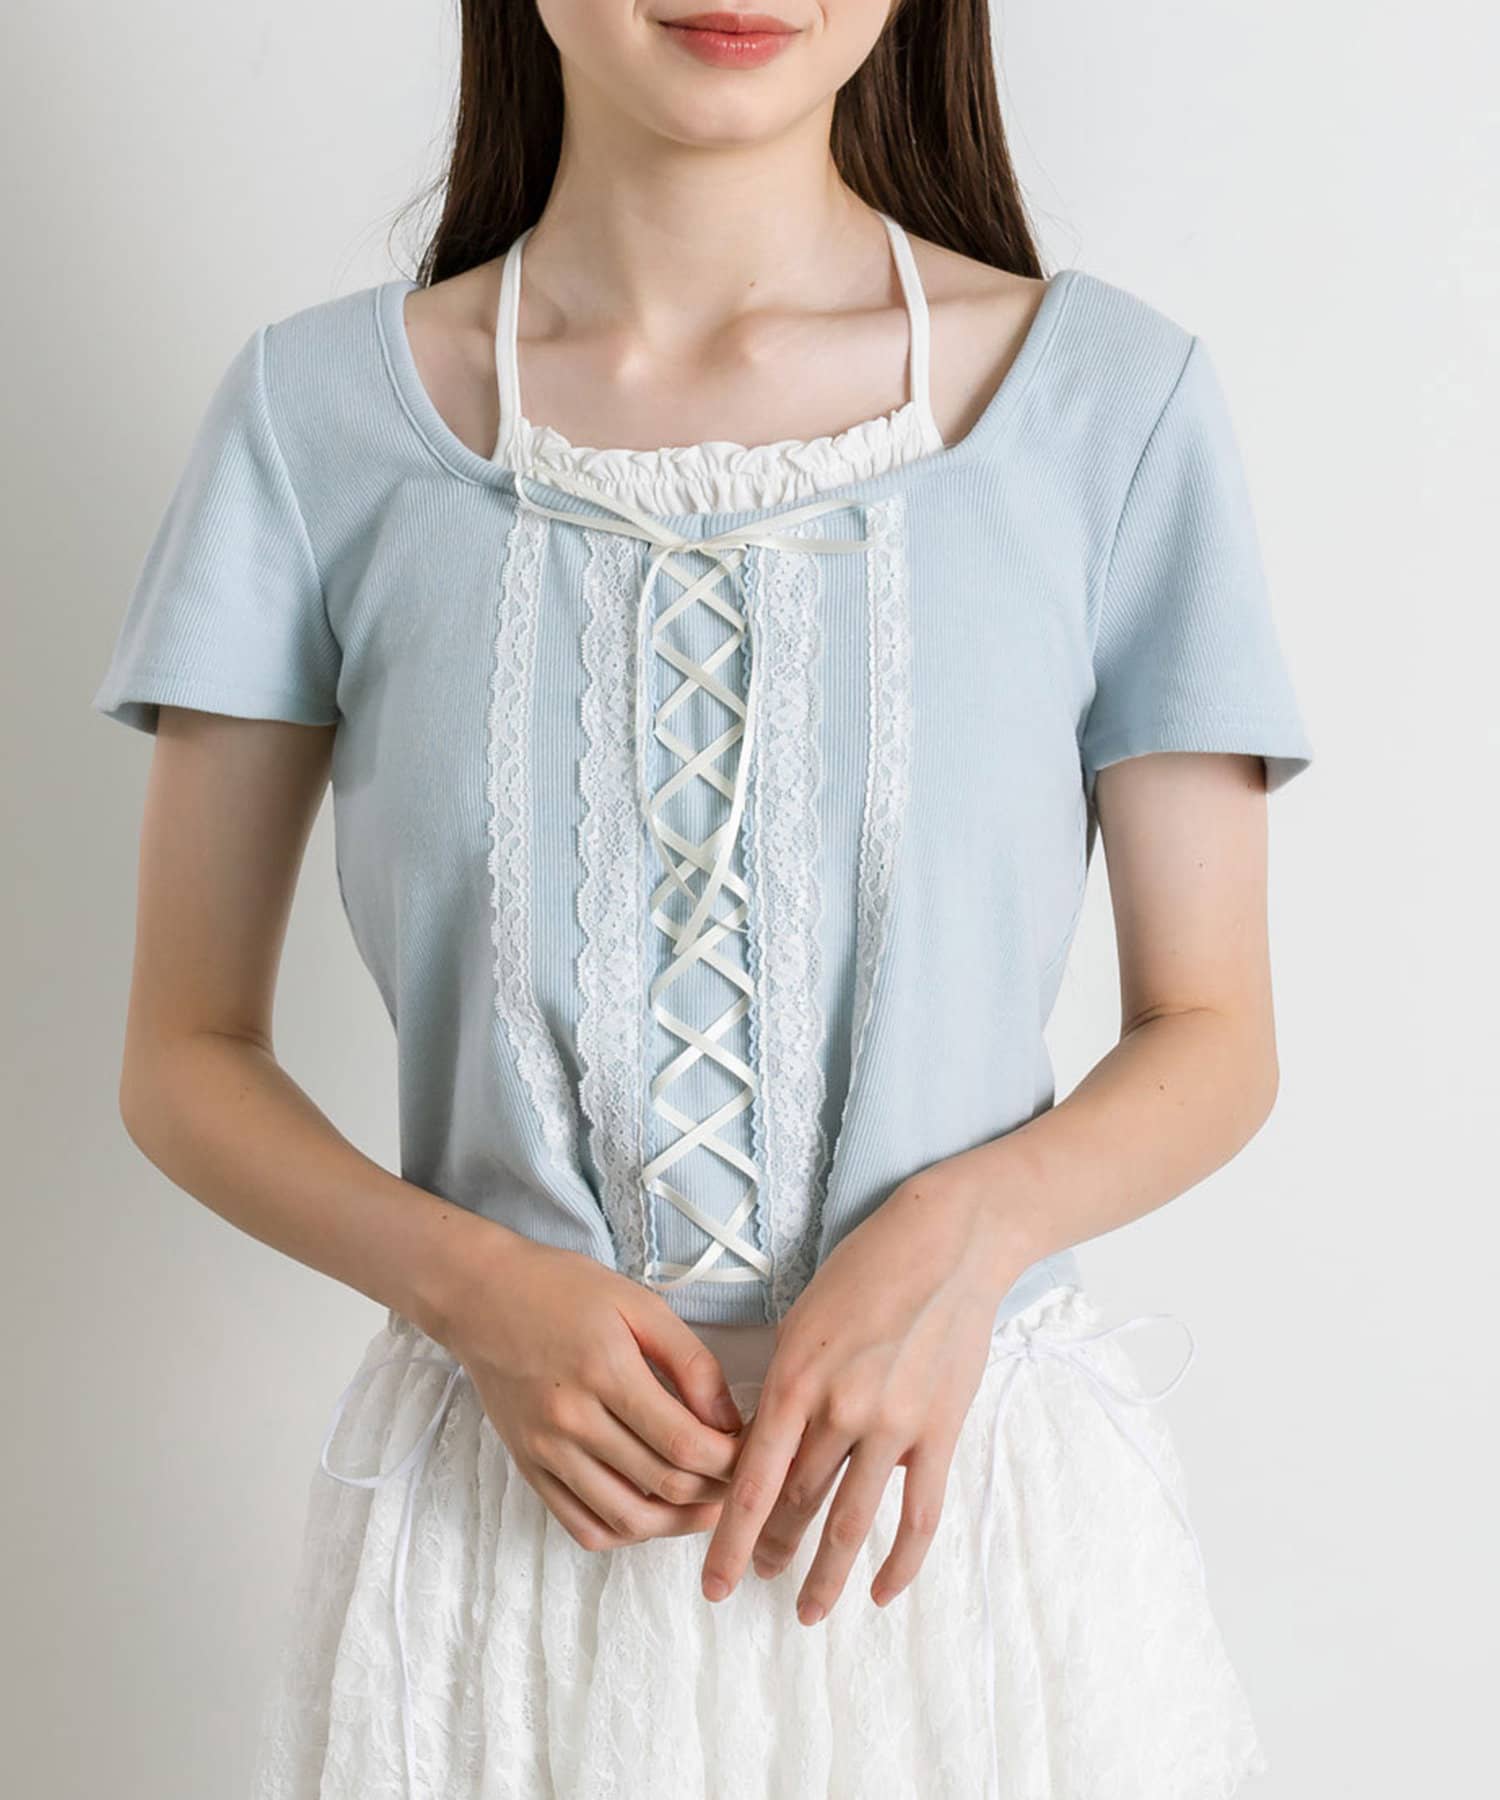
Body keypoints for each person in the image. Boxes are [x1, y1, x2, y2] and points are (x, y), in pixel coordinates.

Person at [92, 1, 1314, 1795]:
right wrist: (472, 1288)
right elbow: (184, 1055)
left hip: (969, 1551)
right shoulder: (310, 422)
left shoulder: (1112, 407)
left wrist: (967, 1236)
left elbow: (1213, 1031)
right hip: (508, 1562)